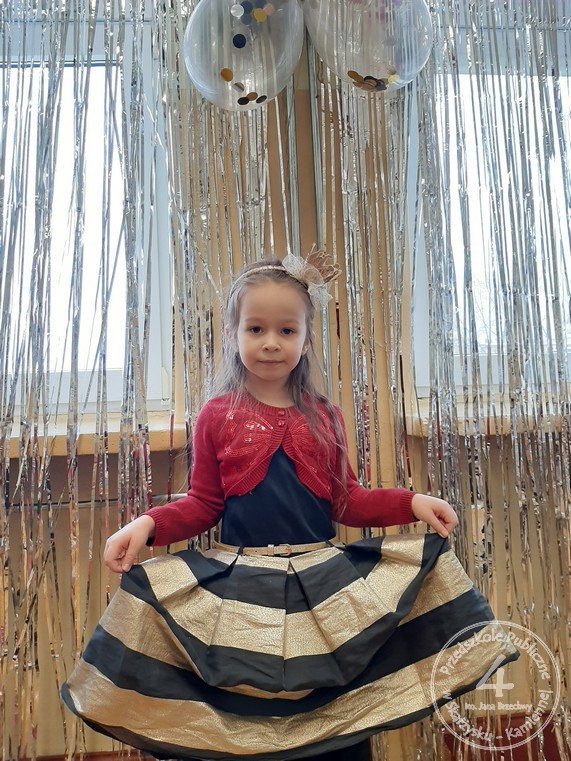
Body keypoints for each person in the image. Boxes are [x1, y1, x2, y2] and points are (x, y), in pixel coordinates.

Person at [62, 251, 518, 761]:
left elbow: (347, 500)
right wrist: (146, 525)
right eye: (256, 329)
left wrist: (414, 502)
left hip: (324, 588)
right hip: (242, 590)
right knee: (247, 709)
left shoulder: (325, 416)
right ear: (233, 334)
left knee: (334, 710)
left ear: (305, 339)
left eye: (286, 330)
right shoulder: (216, 415)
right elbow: (203, 504)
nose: (271, 343)